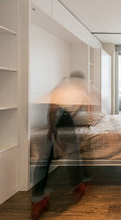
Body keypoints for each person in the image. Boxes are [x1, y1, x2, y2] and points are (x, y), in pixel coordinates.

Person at [31, 71, 92, 220]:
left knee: (45, 160)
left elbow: (52, 108)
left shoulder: (61, 88)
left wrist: (51, 130)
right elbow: (77, 111)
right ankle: (78, 185)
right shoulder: (80, 90)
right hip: (63, 118)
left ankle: (38, 199)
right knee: (73, 155)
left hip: (56, 116)